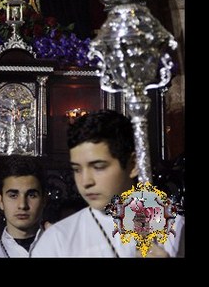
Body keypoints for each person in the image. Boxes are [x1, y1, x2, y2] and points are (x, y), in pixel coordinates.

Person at [31, 110, 185, 257]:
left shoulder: (175, 229)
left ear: (133, 165)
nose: (86, 182)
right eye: (77, 169)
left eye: (98, 167)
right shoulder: (57, 240)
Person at [0, 155, 47, 257]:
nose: (22, 205)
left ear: (44, 200)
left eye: (31, 195)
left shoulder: (63, 249)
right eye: (13, 196)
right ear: (0, 201)